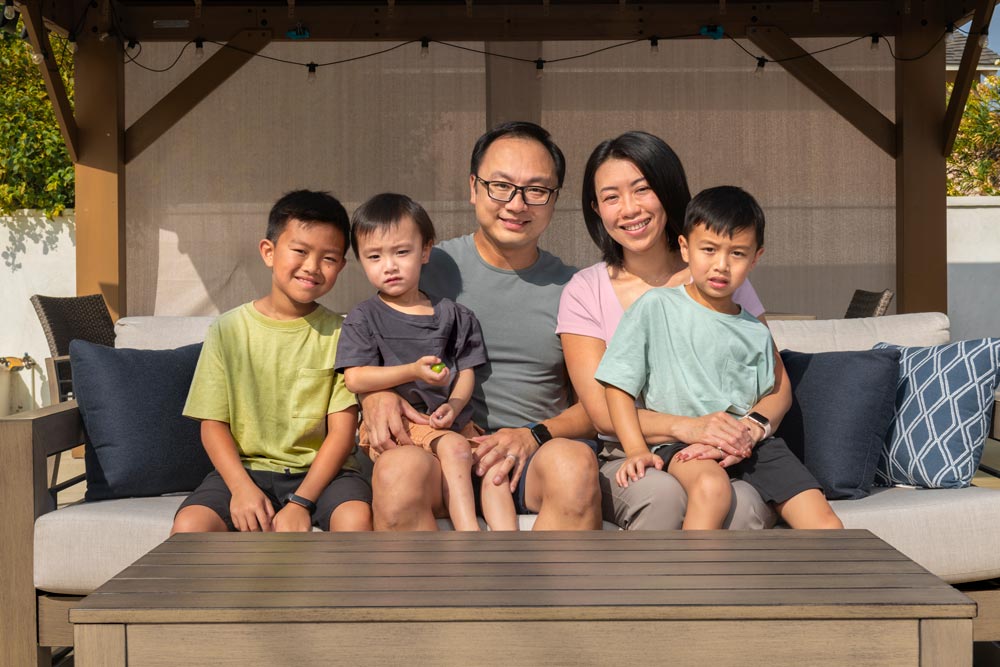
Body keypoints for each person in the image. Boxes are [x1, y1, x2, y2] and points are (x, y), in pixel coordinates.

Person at [360, 121, 602, 531]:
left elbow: (596, 407)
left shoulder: (575, 287)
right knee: (397, 473)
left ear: (553, 199)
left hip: (531, 455)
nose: (517, 203)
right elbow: (364, 343)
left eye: (536, 190)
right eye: (501, 186)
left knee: (574, 465)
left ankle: (552, 596)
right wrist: (375, 395)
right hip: (433, 447)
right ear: (474, 187)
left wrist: (533, 435)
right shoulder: (420, 265)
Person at [557, 130, 781, 530]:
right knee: (662, 495)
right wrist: (689, 426)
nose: (628, 209)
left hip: (721, 450)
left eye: (642, 190)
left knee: (745, 500)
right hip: (629, 451)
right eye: (611, 197)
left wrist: (749, 428)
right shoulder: (584, 290)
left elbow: (775, 380)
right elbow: (601, 412)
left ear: (668, 189)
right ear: (596, 209)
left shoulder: (720, 274)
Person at [597, 185, 842, 530]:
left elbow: (769, 396)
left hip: (749, 446)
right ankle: (693, 584)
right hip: (679, 443)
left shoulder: (755, 330)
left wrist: (747, 433)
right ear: (685, 247)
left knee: (825, 525)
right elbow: (617, 387)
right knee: (712, 488)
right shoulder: (656, 307)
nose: (721, 265)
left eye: (738, 254)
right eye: (709, 250)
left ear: (756, 257)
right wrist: (637, 450)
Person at [171, 190, 372, 534]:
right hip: (246, 471)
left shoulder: (344, 333)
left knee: (355, 521)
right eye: (300, 251)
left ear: (341, 266)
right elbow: (213, 424)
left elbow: (341, 433)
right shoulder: (228, 330)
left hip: (325, 476)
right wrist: (241, 488)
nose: (312, 266)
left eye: (328, 258)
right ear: (268, 251)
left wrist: (301, 502)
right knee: (189, 527)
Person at [336, 193, 516, 531]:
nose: (389, 265)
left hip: (452, 423)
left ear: (425, 251)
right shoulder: (364, 317)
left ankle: (509, 546)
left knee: (496, 467)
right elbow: (355, 378)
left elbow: (466, 372)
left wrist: (455, 404)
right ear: (361, 261)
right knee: (455, 449)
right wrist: (411, 371)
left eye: (401, 252)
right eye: (374, 256)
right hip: (403, 428)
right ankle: (469, 538)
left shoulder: (454, 314)